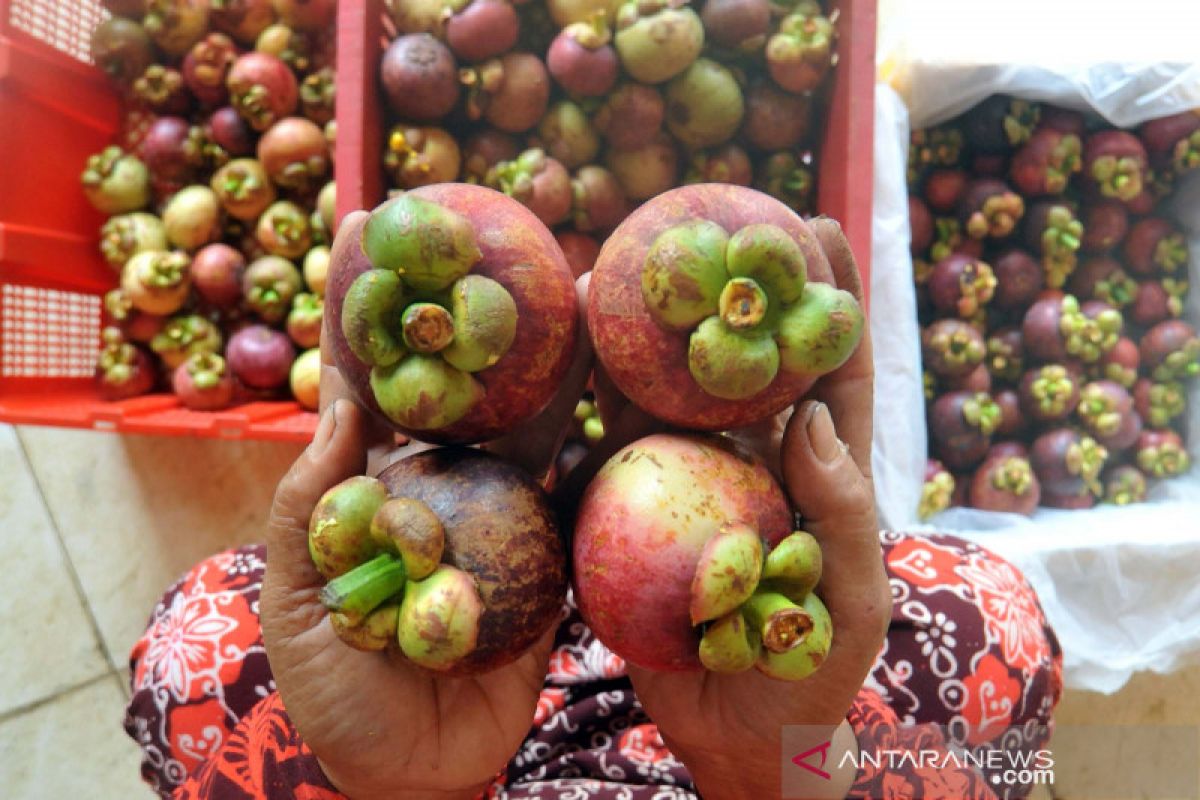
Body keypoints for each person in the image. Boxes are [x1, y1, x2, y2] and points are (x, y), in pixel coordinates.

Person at [124, 216, 1061, 799]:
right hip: (720, 682)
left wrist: (397, 787)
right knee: (995, 615)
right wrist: (770, 774)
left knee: (191, 646)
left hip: (449, 657)